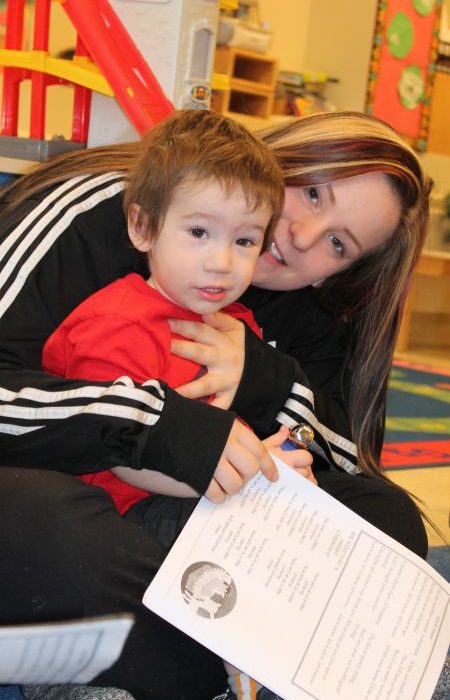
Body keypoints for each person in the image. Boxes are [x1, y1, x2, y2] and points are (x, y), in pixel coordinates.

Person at [0, 110, 431, 700]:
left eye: (338, 244)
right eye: (311, 193)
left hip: (181, 534)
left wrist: (266, 382)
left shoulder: (311, 308)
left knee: (386, 518)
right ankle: (253, 666)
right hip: (60, 500)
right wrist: (158, 426)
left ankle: (147, 664)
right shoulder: (101, 208)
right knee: (39, 523)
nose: (302, 236)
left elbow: (351, 462)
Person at [41, 109, 315, 520]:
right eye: (199, 232)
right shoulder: (116, 323)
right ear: (142, 227)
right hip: (126, 513)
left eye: (244, 241)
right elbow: (120, 454)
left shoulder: (234, 324)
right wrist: (253, 473)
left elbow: (238, 425)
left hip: (212, 498)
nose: (221, 263)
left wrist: (278, 461)